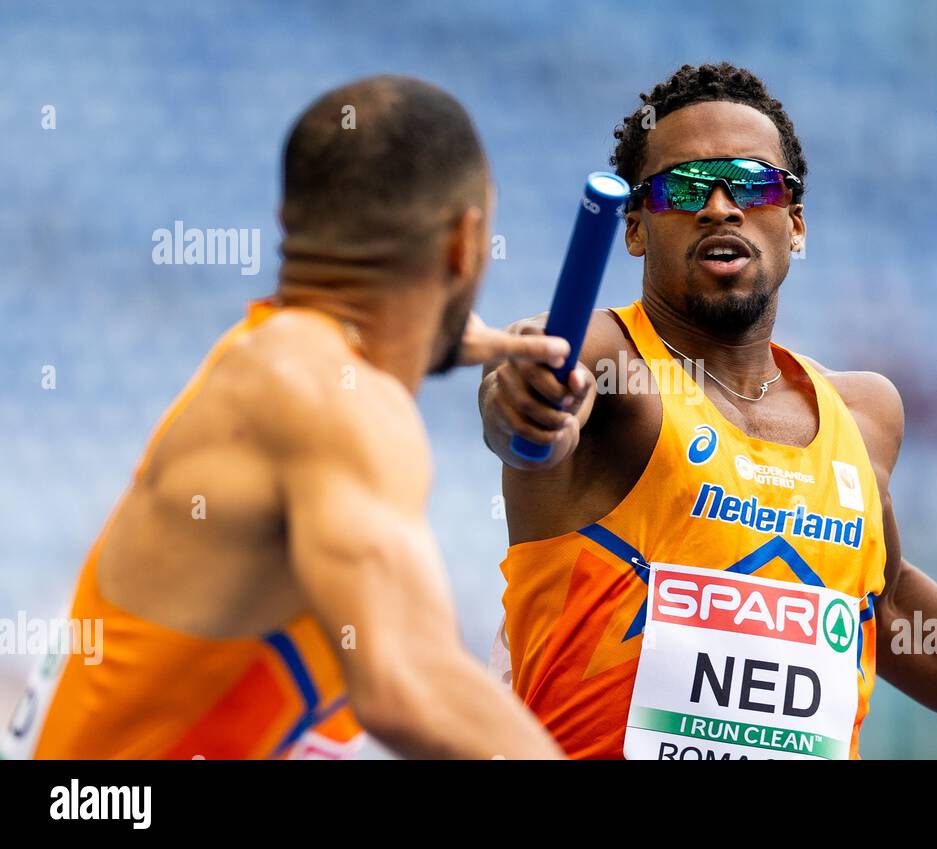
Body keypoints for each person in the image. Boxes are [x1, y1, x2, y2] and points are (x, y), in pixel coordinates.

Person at [479, 63, 937, 760]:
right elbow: (524, 376)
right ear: (636, 227)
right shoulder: (612, 367)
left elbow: (883, 609)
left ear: (794, 223)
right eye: (688, 187)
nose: (721, 207)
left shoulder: (864, 413)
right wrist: (519, 396)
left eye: (755, 183)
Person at [3, 76, 564, 760]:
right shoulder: (336, 402)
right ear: (464, 242)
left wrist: (438, 342)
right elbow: (410, 683)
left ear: (290, 219)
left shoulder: (274, 361)